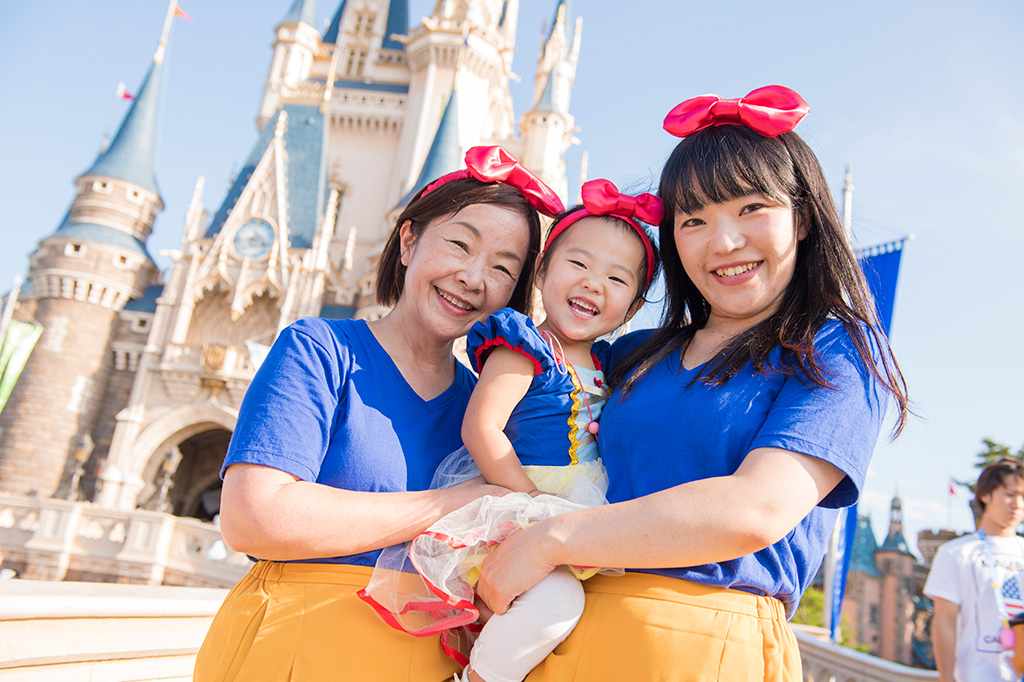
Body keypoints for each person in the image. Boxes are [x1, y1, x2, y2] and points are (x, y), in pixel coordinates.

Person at [472, 85, 910, 681]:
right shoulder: (629, 355)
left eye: (751, 208)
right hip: (555, 632)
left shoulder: (834, 348)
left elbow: (757, 508)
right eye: (695, 219)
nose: (724, 242)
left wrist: (552, 538)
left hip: (701, 647)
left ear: (802, 216)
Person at [192, 145, 563, 682]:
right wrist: (455, 503)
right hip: (294, 647)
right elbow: (254, 517)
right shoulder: (321, 350)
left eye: (503, 269)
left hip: (427, 658)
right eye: (460, 244)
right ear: (408, 241)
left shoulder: (488, 410)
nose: (474, 277)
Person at [360, 180, 663, 682]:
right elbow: (482, 428)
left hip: (575, 513)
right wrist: (530, 506)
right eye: (579, 264)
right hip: (520, 504)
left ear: (631, 309)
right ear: (541, 272)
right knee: (557, 603)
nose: (593, 283)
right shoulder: (525, 347)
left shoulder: (612, 364)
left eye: (617, 278)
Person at [925, 458, 1024, 681]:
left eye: (1023, 496)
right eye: (1009, 494)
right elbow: (945, 621)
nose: (1017, 504)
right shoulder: (956, 552)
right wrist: (947, 678)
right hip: (975, 675)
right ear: (985, 495)